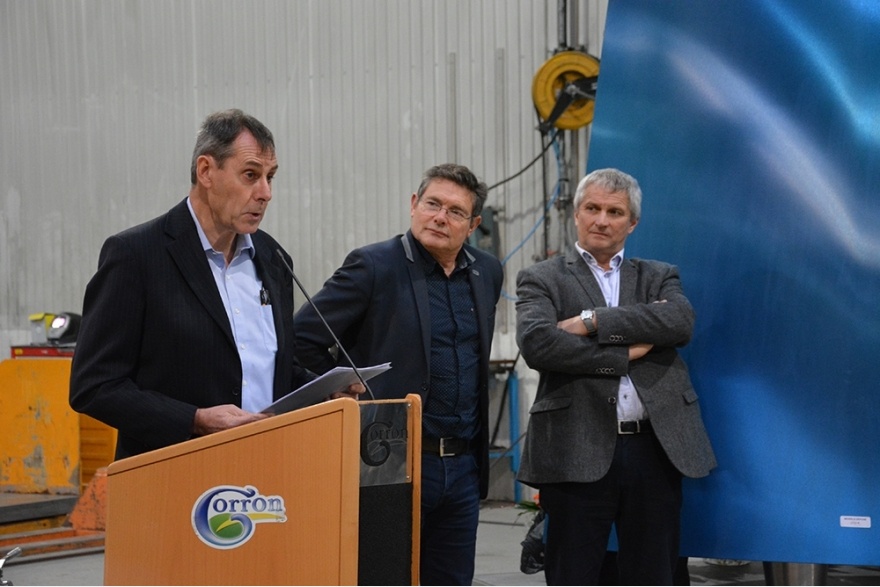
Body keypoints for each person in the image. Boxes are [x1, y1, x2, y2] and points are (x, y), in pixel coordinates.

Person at [69, 108, 361, 459]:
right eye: (251, 175)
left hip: (267, 472)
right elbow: (94, 386)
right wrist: (195, 419)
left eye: (270, 177)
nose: (265, 192)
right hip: (173, 476)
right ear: (206, 171)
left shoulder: (274, 259)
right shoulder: (136, 255)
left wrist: (322, 392)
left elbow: (266, 371)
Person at [293, 163, 504, 585]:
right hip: (391, 459)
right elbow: (302, 337)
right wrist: (336, 390)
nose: (440, 217)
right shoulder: (373, 266)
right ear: (414, 205)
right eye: (432, 204)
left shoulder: (487, 271)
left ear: (474, 224)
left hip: (462, 465)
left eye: (455, 211)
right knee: (383, 576)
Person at [514, 168, 716, 585]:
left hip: (655, 450)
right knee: (574, 573)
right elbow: (539, 345)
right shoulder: (542, 278)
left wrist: (591, 321)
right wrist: (624, 353)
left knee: (655, 574)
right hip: (576, 445)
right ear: (576, 214)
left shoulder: (658, 274)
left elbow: (678, 323)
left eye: (614, 211)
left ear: (632, 222)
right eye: (592, 208)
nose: (602, 220)